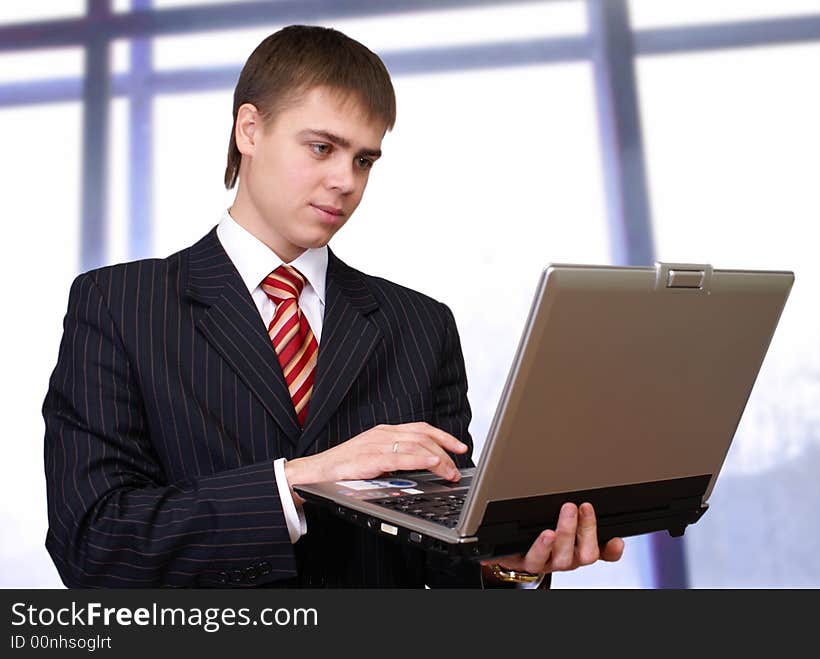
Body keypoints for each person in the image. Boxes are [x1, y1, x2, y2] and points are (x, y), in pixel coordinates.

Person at [43, 25, 624, 588]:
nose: (345, 180)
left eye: (364, 160)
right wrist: (295, 481)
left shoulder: (420, 327)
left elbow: (443, 565)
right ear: (250, 128)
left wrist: (508, 563)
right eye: (322, 147)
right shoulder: (119, 306)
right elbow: (93, 544)